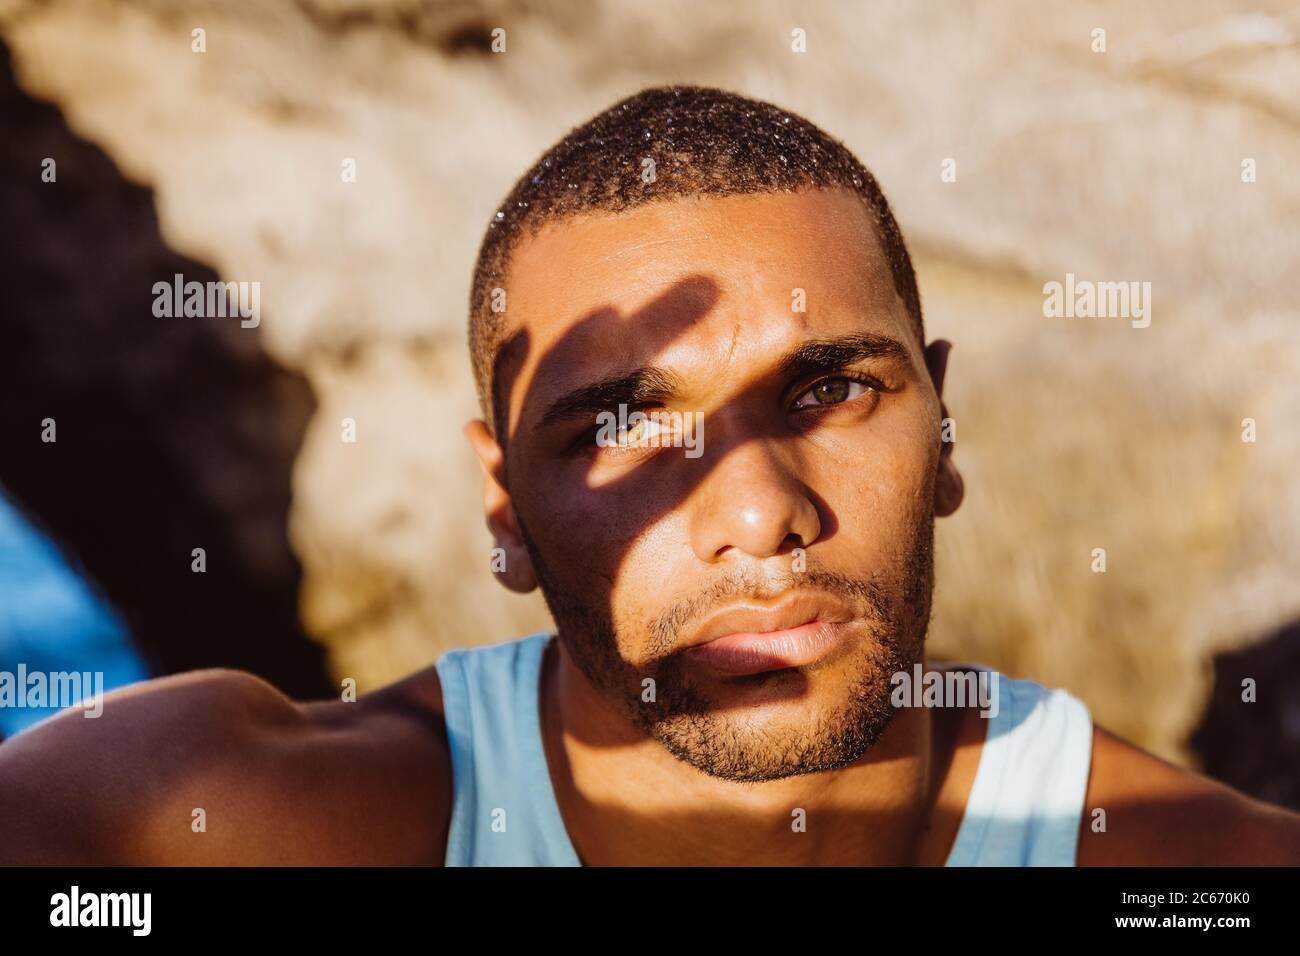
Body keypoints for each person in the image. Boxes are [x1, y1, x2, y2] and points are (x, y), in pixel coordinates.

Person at [3, 86, 1297, 866]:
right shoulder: (229, 813)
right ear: (503, 503)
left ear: (942, 433)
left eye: (833, 390)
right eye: (623, 428)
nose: (758, 513)